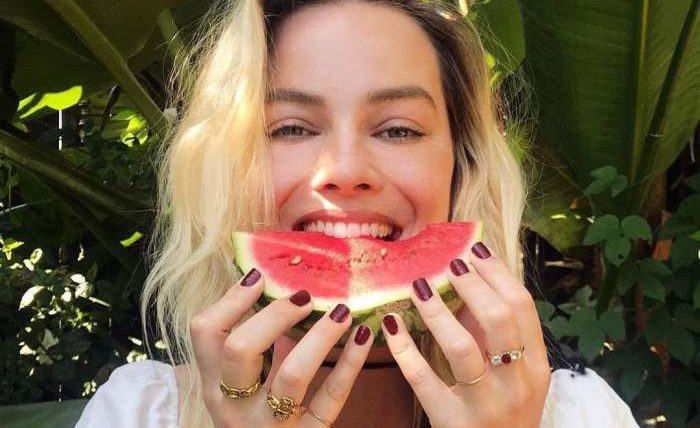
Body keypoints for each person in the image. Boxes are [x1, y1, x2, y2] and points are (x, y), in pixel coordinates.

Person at [75, 0, 640, 427]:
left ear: (460, 165)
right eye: (290, 128)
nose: (344, 170)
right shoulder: (137, 413)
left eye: (399, 130)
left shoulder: (580, 415)